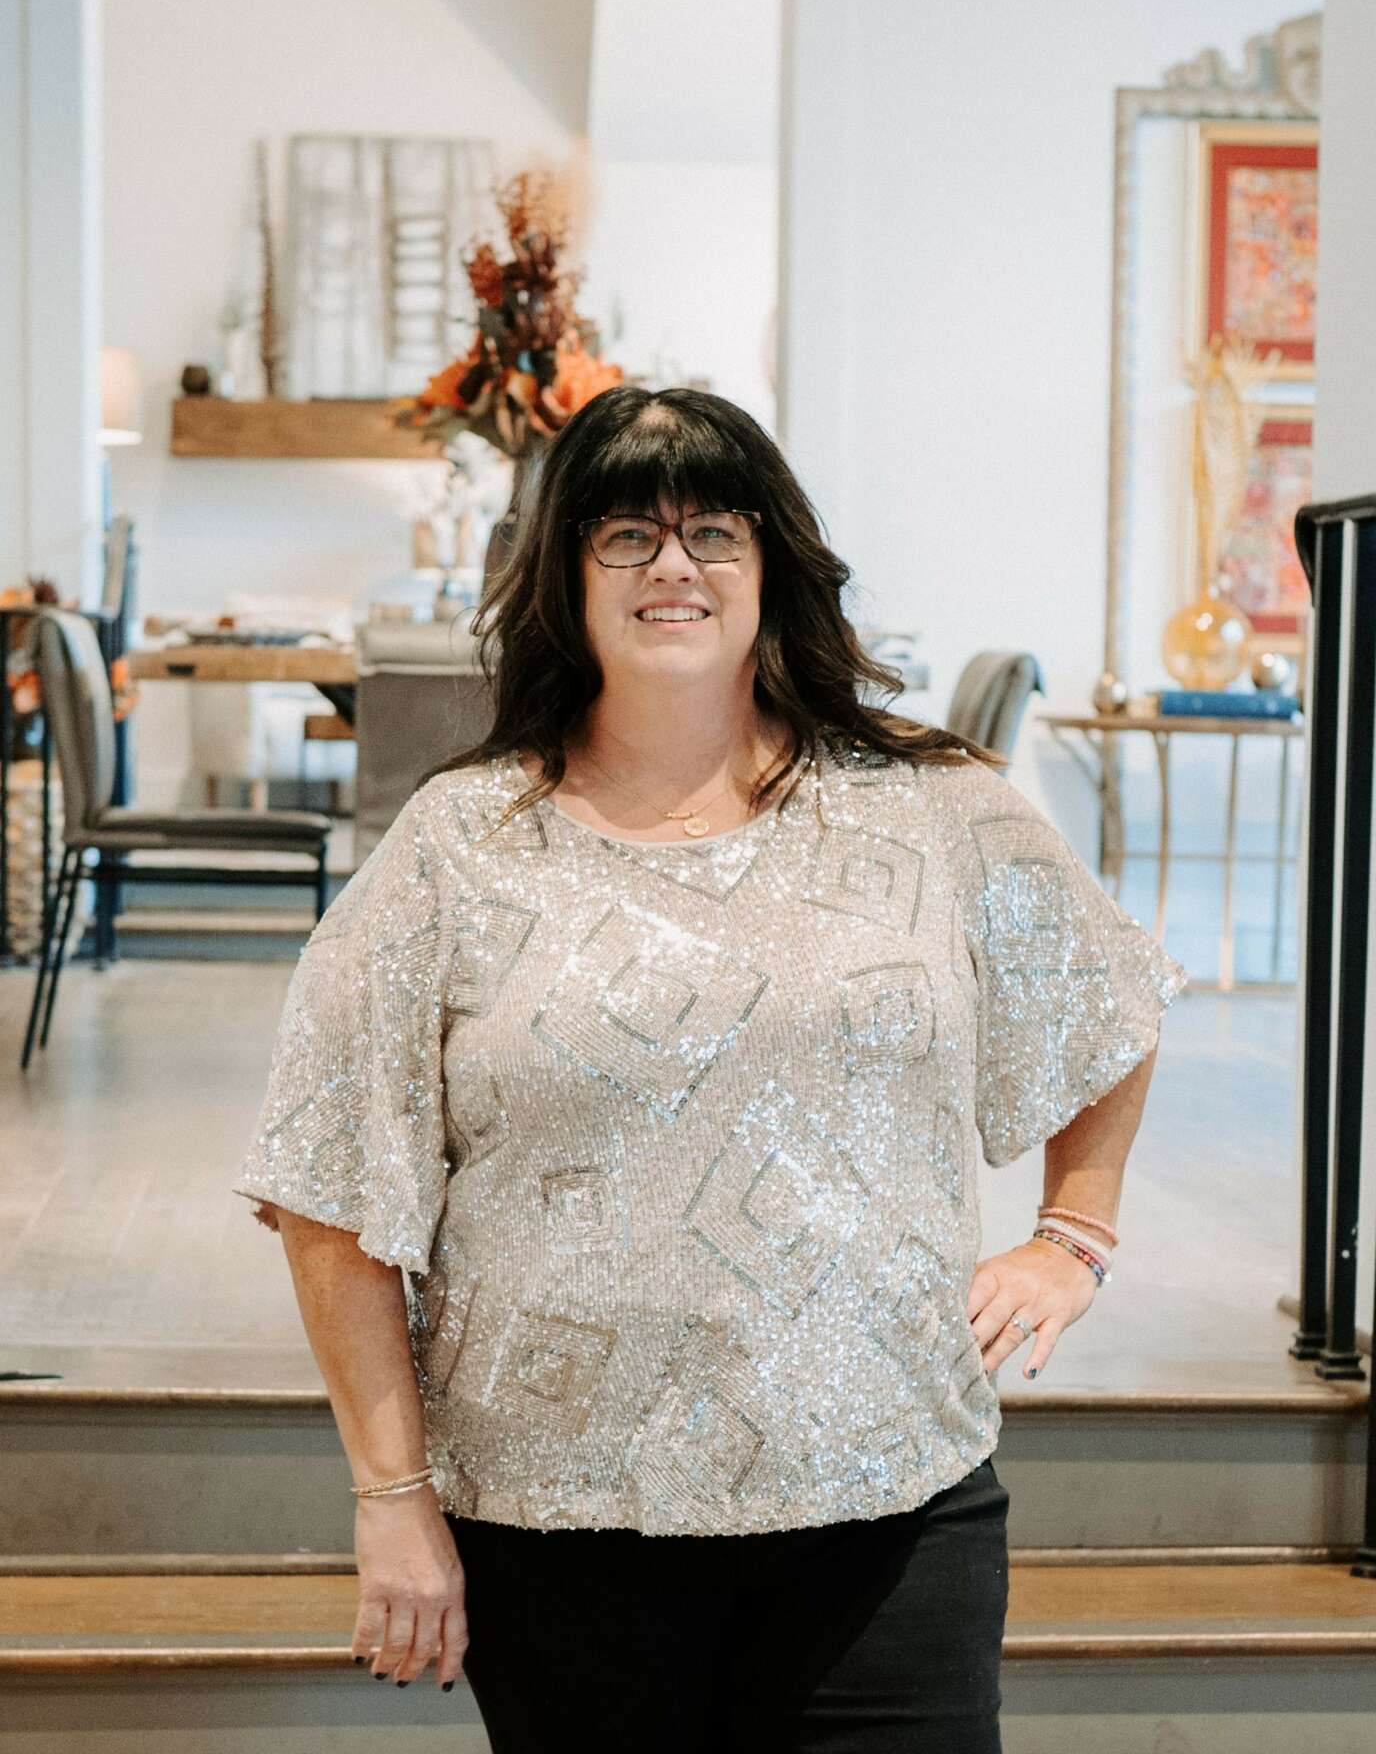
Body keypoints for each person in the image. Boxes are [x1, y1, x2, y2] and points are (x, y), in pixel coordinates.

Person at [234, 385, 1188, 1752]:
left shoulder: (933, 808)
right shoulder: (460, 842)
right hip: (559, 1524)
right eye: (626, 534)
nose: (672, 565)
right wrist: (392, 1499)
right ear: (565, 579)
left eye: (714, 532)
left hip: (890, 1501)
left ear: (772, 566)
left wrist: (1073, 1235)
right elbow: (328, 1185)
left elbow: (1107, 993)